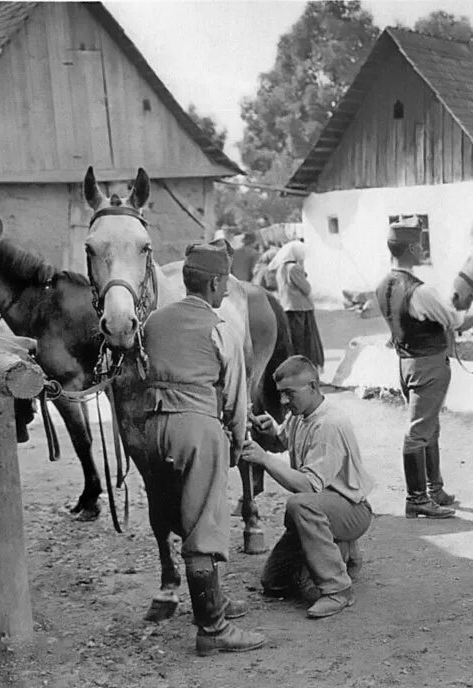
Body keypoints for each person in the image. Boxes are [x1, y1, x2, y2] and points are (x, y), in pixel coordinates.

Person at [140, 240, 265, 655]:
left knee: (175, 511)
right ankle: (213, 629)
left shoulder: (153, 323)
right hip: (198, 430)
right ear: (212, 283)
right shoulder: (220, 329)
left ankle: (211, 602)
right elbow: (235, 398)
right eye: (224, 285)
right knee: (204, 526)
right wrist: (237, 439)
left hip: (154, 428)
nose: (227, 292)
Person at [240, 356, 374, 619]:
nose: (283, 402)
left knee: (299, 505)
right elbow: (287, 442)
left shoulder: (329, 425)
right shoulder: (301, 415)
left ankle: (338, 589)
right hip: (323, 508)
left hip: (350, 509)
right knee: (274, 581)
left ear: (313, 386)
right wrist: (273, 431)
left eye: (289, 394)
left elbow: (307, 486)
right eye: (280, 394)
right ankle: (342, 553)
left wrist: (264, 459)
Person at [376, 217, 473, 519]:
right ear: (413, 248)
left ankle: (433, 487)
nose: (422, 249)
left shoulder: (384, 285)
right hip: (428, 365)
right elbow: (456, 321)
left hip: (405, 363)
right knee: (419, 430)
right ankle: (417, 498)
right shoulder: (421, 291)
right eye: (419, 244)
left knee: (429, 426)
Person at [268, 239, 326, 369]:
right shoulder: (294, 268)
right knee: (305, 342)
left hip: (288, 307)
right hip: (301, 308)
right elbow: (306, 288)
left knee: (294, 341)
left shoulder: (281, 268)